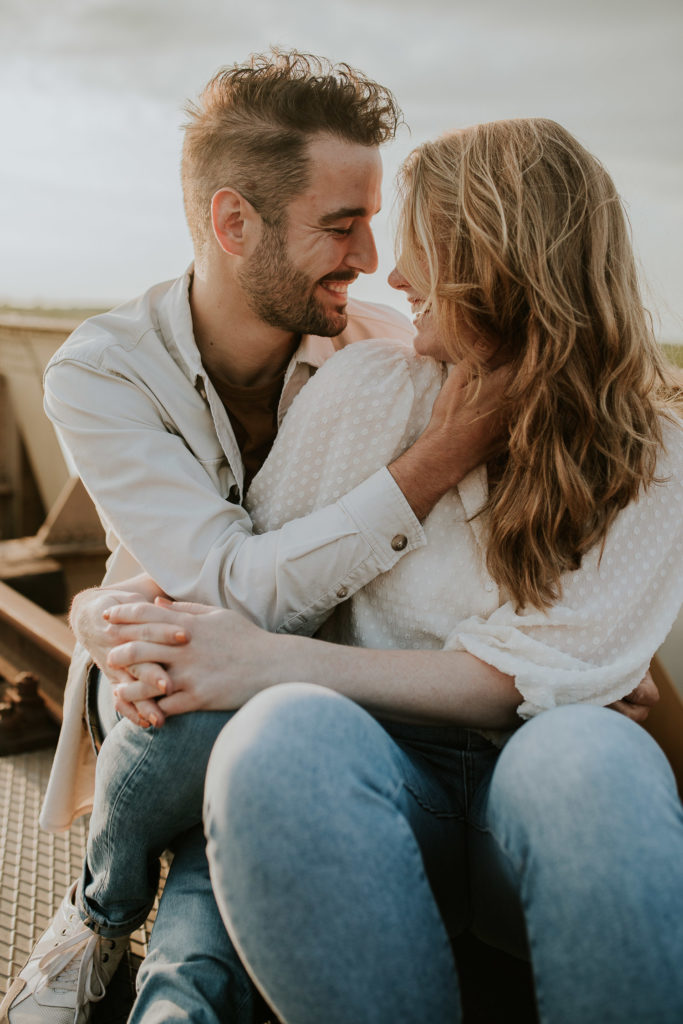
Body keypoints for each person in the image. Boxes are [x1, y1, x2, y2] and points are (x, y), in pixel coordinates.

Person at [80, 119, 683, 1023]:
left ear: (497, 262)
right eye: (358, 229)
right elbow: (261, 581)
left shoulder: (657, 447)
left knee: (586, 750)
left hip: (530, 819)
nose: (391, 275)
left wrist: (273, 663)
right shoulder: (366, 388)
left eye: (422, 246)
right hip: (377, 790)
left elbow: (540, 681)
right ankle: (108, 923)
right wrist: (104, 609)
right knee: (275, 735)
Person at [1, 52, 511, 1024]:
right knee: (198, 677)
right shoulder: (102, 373)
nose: (372, 256)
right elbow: (224, 592)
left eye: (372, 218)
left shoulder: (382, 347)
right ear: (234, 222)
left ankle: (164, 992)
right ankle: (103, 911)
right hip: (160, 680)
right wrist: (430, 461)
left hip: (312, 683)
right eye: (340, 223)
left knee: (255, 714)